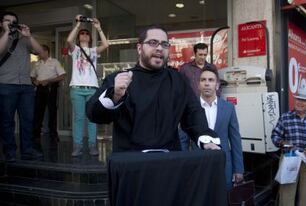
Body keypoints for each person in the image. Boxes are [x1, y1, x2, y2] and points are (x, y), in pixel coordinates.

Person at [86, 25, 221, 152]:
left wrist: (206, 139)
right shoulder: (118, 80)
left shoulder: (178, 80)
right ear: (139, 48)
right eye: (152, 43)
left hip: (169, 162)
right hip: (131, 164)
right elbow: (94, 114)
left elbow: (193, 114)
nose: (159, 48)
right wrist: (114, 95)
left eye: (164, 44)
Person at [180, 68, 244, 189]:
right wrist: (184, 166)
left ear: (217, 85)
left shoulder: (228, 108)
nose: (207, 83)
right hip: (196, 166)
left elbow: (235, 139)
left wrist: (239, 169)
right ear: (198, 85)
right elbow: (183, 141)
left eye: (211, 80)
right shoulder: (189, 109)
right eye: (203, 80)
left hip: (224, 165)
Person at [271, 88, 306, 206]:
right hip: (289, 158)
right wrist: (284, 143)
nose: (300, 102)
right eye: (298, 99)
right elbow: (275, 136)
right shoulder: (285, 117)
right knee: (286, 194)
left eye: (304, 100)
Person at [0, 11, 44, 162]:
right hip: (6, 84)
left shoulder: (24, 40)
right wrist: (6, 32)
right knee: (7, 121)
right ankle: (10, 151)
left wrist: (29, 36)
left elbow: (41, 53)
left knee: (28, 120)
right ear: (1, 24)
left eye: (13, 21)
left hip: (25, 86)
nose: (11, 23)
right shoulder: (2, 38)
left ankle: (27, 149)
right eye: (7, 21)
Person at [66, 14, 109, 157]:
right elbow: (68, 40)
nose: (84, 35)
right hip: (77, 88)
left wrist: (98, 28)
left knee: (92, 118)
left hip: (92, 89)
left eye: (86, 34)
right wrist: (78, 24)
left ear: (90, 38)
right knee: (78, 118)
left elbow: (106, 45)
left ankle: (92, 146)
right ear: (79, 37)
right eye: (82, 34)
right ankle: (77, 146)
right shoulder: (75, 50)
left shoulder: (93, 51)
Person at [31, 44, 66, 152]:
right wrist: (34, 81)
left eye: (41, 51)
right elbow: (32, 75)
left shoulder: (54, 62)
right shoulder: (37, 63)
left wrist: (49, 81)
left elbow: (62, 76)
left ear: (46, 52)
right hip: (40, 89)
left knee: (52, 112)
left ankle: (53, 135)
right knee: (38, 112)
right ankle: (36, 135)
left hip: (51, 88)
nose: (39, 54)